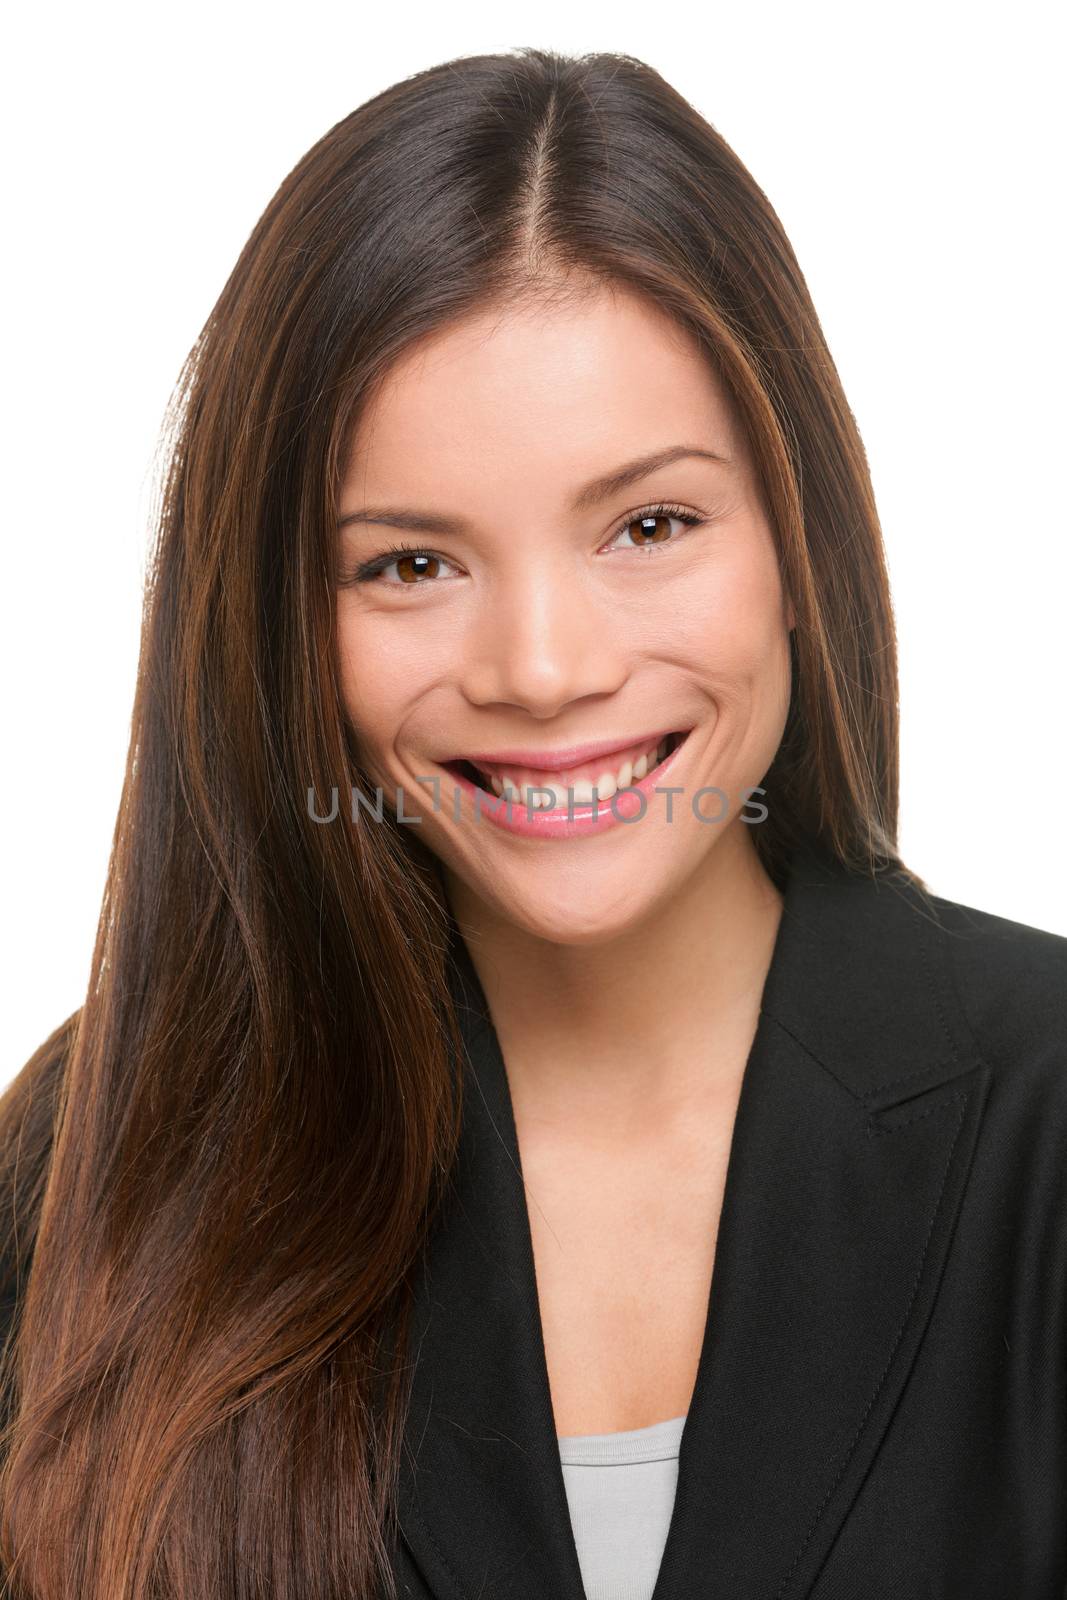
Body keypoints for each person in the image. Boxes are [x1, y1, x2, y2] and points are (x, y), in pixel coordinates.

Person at [1, 44, 1065, 1600]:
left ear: (798, 537)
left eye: (649, 524)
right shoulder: (94, 1166)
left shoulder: (1047, 1116)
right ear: (281, 622)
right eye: (411, 564)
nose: (547, 671)